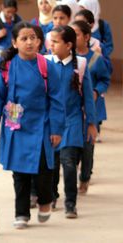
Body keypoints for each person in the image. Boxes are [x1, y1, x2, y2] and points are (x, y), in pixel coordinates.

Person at [0, 21, 65, 229]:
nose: (29, 42)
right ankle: (21, 213)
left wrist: (57, 129)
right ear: (15, 43)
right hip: (16, 128)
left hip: (42, 127)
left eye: (33, 37)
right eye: (24, 38)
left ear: (41, 41)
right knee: (19, 173)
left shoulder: (46, 66)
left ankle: (44, 201)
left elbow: (57, 100)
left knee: (44, 171)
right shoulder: (7, 67)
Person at [48, 25, 97, 218]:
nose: (51, 45)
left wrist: (91, 123)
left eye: (55, 42)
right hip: (52, 123)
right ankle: (51, 195)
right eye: (50, 41)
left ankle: (70, 203)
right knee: (52, 164)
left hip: (72, 121)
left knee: (68, 163)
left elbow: (87, 97)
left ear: (69, 45)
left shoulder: (81, 66)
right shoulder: (47, 63)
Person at [71, 20, 110, 194]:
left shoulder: (95, 58)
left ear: (86, 37)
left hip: (90, 109)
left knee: (87, 148)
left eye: (77, 34)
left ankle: (85, 177)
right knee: (70, 150)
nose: (72, 37)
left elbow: (104, 80)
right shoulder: (67, 58)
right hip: (72, 111)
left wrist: (96, 90)